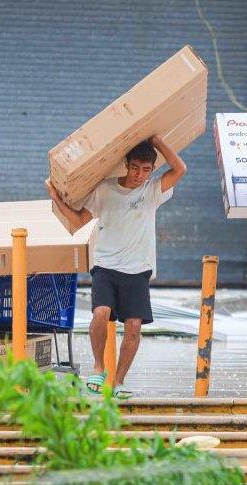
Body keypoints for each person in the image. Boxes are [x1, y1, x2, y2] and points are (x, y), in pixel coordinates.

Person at [47, 136, 186, 399]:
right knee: (101, 313)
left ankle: (118, 382)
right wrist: (55, 197)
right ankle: (99, 368)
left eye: (146, 170)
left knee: (133, 326)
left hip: (138, 268)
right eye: (135, 168)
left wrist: (158, 142)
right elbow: (78, 221)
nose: (140, 175)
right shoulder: (105, 190)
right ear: (126, 164)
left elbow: (180, 169)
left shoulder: (152, 191)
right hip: (106, 264)